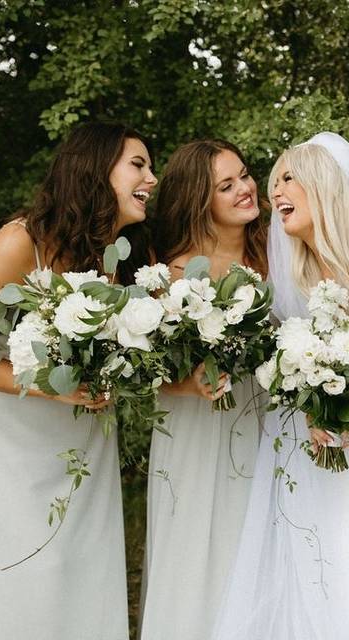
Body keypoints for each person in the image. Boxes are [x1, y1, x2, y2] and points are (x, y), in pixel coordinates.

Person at [0, 121, 156, 639]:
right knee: (10, 568)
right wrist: (55, 385)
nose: (152, 177)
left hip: (74, 436)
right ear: (95, 169)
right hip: (2, 436)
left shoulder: (114, 257)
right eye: (138, 164)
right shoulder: (20, 242)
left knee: (71, 565)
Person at [214, 132, 349, 640]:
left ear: (324, 186)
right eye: (274, 182)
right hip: (310, 440)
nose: (274, 193)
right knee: (312, 559)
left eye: (288, 179)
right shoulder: (298, 268)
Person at [139, 139, 268, 640]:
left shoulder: (277, 256)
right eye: (226, 185)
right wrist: (186, 384)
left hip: (269, 428)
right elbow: (143, 370)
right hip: (196, 434)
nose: (245, 189)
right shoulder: (171, 274)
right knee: (196, 547)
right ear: (199, 199)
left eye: (245, 175)